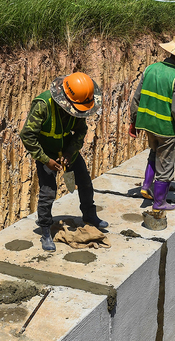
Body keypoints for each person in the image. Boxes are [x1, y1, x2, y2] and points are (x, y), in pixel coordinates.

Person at [19, 72, 108, 251]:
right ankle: (45, 230)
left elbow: (81, 131)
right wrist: (46, 160)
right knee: (48, 192)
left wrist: (70, 152)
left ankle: (90, 215)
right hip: (46, 153)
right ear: (66, 100)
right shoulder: (43, 105)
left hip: (67, 151)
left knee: (85, 182)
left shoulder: (79, 106)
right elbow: (27, 135)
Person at [128, 34, 175, 211]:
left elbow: (136, 99)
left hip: (147, 124)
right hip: (165, 128)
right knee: (166, 164)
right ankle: (159, 202)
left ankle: (146, 186)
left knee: (154, 153)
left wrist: (133, 121)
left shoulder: (150, 69)